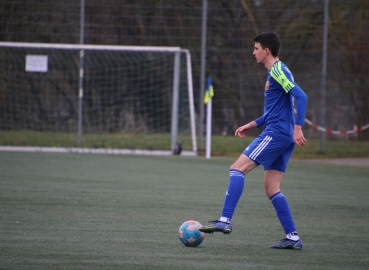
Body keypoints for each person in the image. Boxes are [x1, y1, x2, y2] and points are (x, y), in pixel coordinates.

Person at [199, 32, 308, 250]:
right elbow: (277, 109)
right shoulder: (278, 71)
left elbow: (302, 96)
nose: (253, 52)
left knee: (237, 169)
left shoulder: (277, 71)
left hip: (277, 134)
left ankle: (225, 221)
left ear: (266, 50)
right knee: (272, 187)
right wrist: (253, 123)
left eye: (256, 48)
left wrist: (298, 128)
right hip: (282, 135)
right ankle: (293, 237)